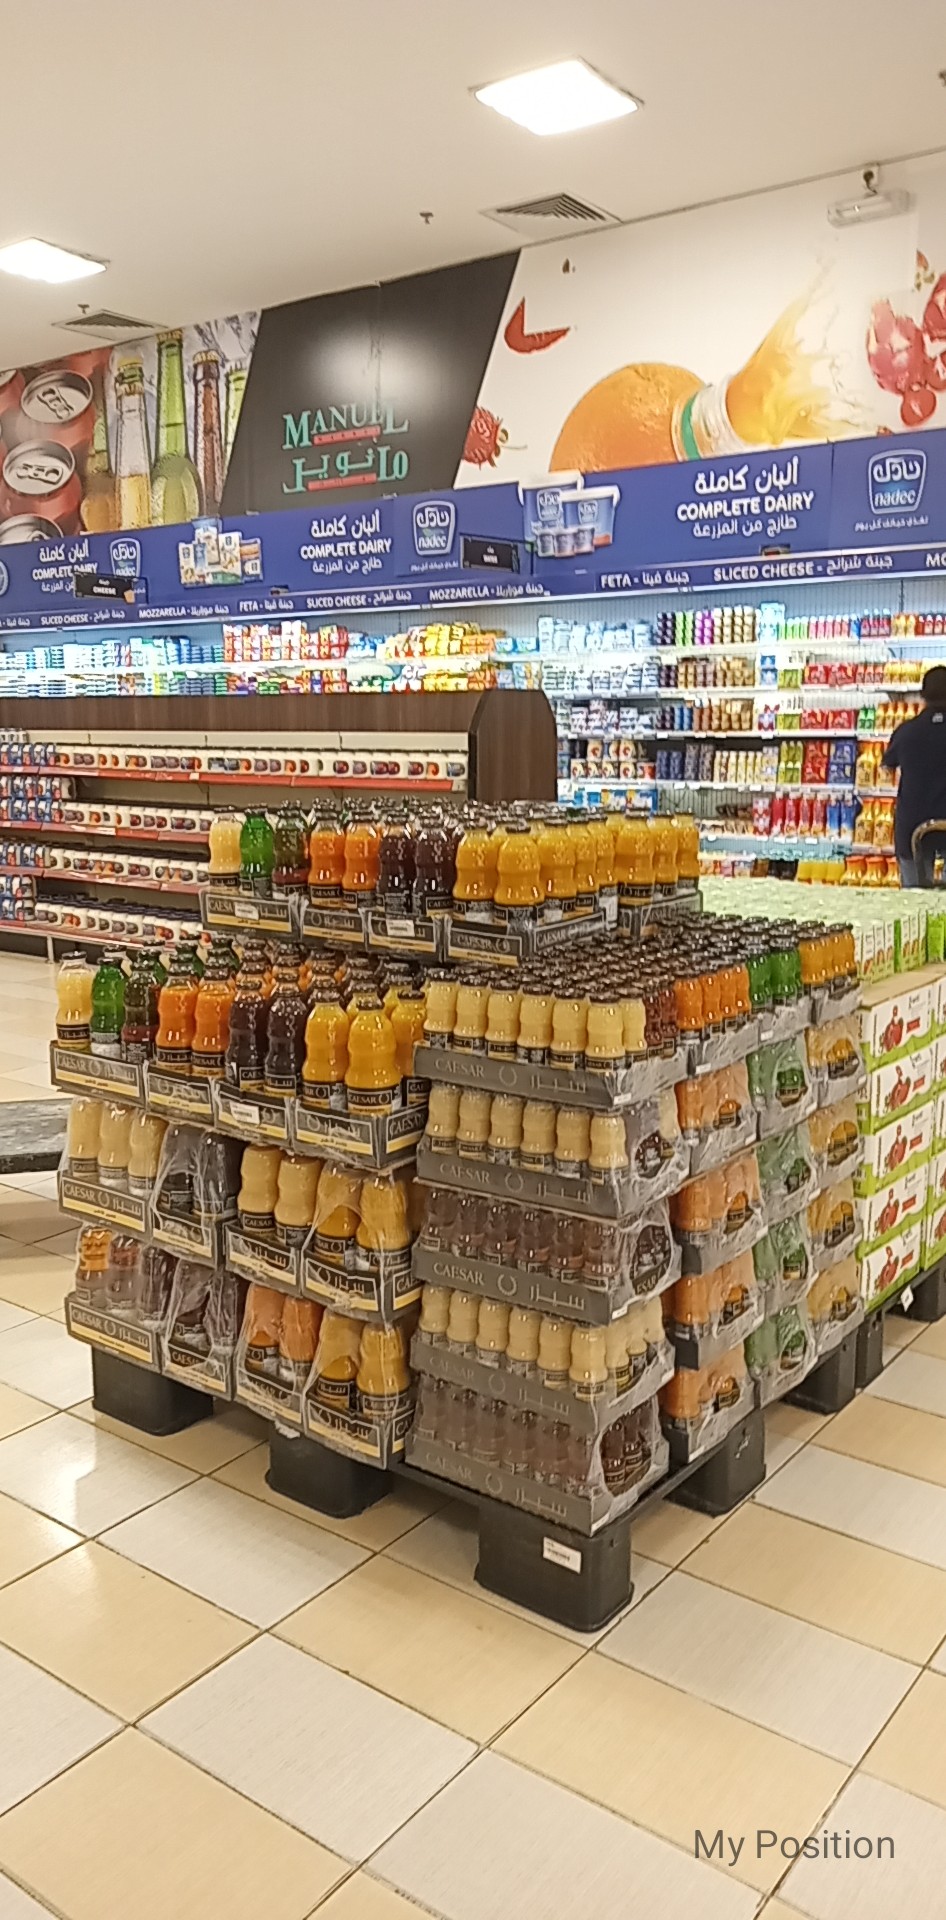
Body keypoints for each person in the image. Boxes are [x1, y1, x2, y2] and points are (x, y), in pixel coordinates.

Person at [882, 665, 946, 886]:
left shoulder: (906, 731)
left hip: (912, 826)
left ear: (922, 695)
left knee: (914, 896)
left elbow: (887, 766)